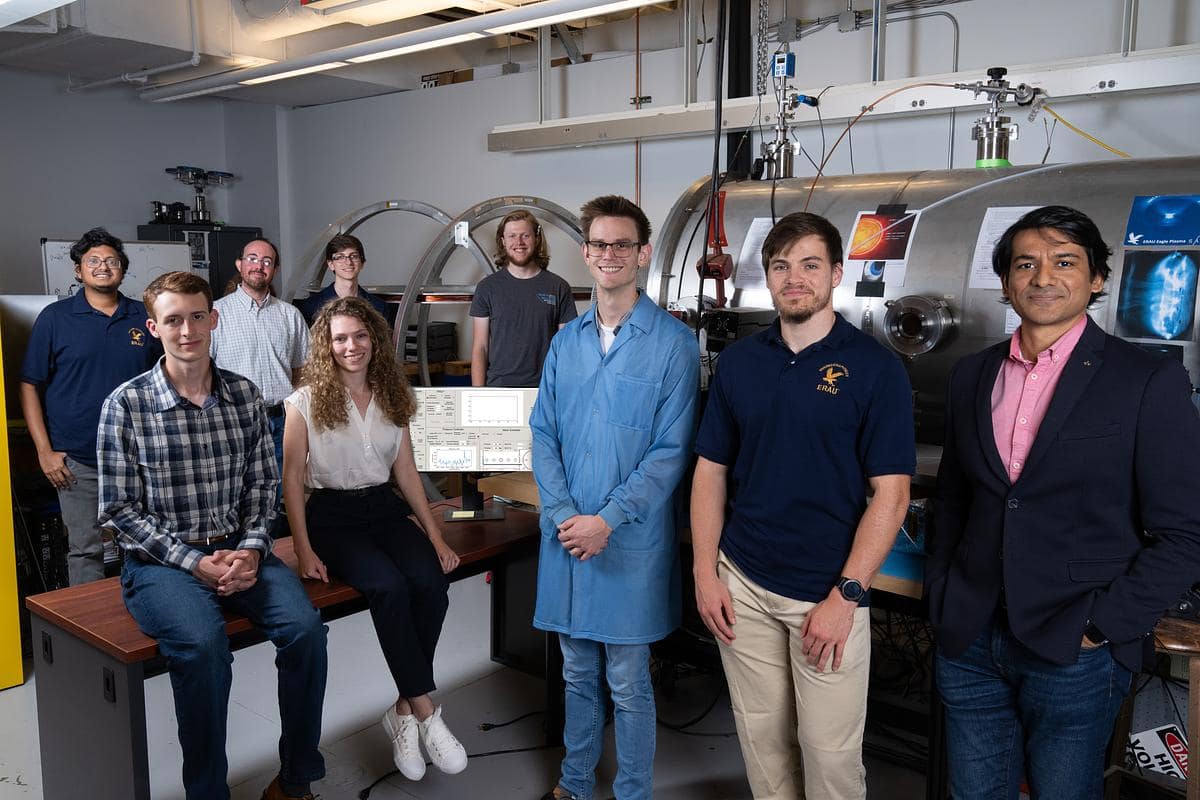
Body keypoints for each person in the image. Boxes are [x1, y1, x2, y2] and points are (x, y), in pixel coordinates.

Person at [927, 205, 1200, 799]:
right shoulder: (972, 374)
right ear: (1005, 282)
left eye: (1064, 262)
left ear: (1097, 278)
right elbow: (953, 498)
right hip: (970, 634)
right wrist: (943, 592)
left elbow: (1185, 532)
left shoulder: (1145, 380)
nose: (1042, 277)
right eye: (1025, 264)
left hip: (1073, 646)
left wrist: (1104, 626)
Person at [691, 212, 914, 800]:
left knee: (830, 756)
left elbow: (891, 497)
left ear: (836, 273)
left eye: (810, 265)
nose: (795, 278)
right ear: (767, 275)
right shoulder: (739, 362)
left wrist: (847, 596)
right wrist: (705, 572)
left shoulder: (876, 368)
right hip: (741, 582)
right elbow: (710, 471)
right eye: (781, 266)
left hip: (825, 593)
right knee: (762, 743)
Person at [97, 271, 327, 800]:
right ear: (154, 327)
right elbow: (119, 509)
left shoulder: (244, 396)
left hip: (239, 548)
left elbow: (262, 485)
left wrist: (249, 550)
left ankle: (296, 780)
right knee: (202, 647)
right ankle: (207, 792)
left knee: (306, 631)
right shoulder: (126, 406)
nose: (187, 330)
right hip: (159, 565)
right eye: (173, 320)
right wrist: (192, 562)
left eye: (197, 316)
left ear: (213, 319)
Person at [530, 195, 699, 800]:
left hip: (628, 542)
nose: (609, 254)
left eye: (621, 244)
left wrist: (607, 519)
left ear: (643, 253)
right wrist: (562, 515)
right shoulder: (565, 342)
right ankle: (573, 785)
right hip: (568, 537)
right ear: (585, 253)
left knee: (627, 681)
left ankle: (632, 792)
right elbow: (543, 432)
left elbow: (670, 453)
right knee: (576, 674)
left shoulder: (674, 344)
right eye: (598, 244)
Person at [281, 296, 468, 782]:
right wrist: (303, 547)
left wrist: (436, 536)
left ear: (375, 341)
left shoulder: (393, 392)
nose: (351, 346)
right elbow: (292, 479)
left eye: (360, 336)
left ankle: (402, 710)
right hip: (333, 517)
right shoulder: (303, 401)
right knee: (387, 587)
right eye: (340, 338)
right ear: (327, 344)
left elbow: (405, 471)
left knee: (430, 580)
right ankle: (427, 712)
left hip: (383, 508)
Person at [20, 227, 161, 585]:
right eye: (93, 261)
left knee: (144, 545)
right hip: (77, 459)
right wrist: (44, 452)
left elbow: (166, 378)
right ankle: (92, 637)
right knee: (85, 550)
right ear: (78, 271)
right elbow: (30, 384)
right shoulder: (56, 319)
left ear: (123, 269)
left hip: (137, 456)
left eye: (111, 261)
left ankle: (144, 615)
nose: (102, 267)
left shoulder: (142, 317)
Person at [210, 238, 310, 470]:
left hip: (281, 421)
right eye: (252, 259)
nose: (259, 266)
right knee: (235, 490)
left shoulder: (290, 316)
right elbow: (204, 371)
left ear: (275, 270)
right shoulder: (216, 313)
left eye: (267, 261)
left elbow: (302, 371)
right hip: (233, 421)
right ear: (239, 264)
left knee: (276, 489)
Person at [471, 209, 577, 387]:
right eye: (512, 236)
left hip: (545, 389)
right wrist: (477, 395)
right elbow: (480, 348)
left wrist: (563, 393)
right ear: (503, 241)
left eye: (525, 235)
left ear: (536, 239)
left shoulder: (558, 287)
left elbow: (566, 350)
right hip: (499, 389)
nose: (518, 242)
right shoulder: (487, 288)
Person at [299, 234, 391, 325]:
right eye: (340, 257)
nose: (348, 262)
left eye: (354, 256)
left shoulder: (378, 307)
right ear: (331, 264)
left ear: (362, 263)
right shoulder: (310, 306)